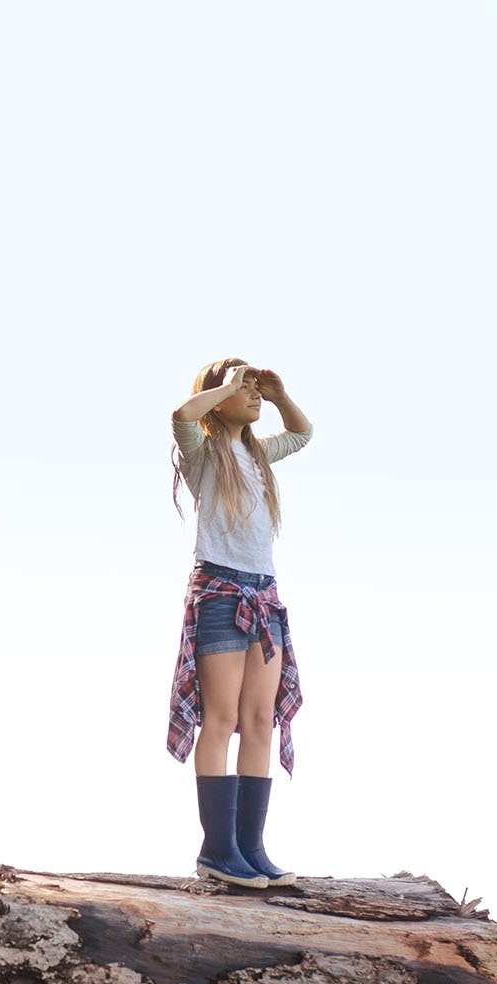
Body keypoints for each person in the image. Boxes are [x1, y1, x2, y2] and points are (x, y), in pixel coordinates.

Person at [165, 358, 312, 889]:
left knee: (258, 721)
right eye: (243, 390)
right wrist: (226, 385)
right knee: (220, 719)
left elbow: (301, 433)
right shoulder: (204, 453)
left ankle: (250, 848)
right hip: (221, 590)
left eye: (253, 389)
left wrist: (277, 393)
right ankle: (217, 850)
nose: (251, 395)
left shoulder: (257, 454)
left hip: (264, 594)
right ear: (219, 397)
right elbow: (182, 415)